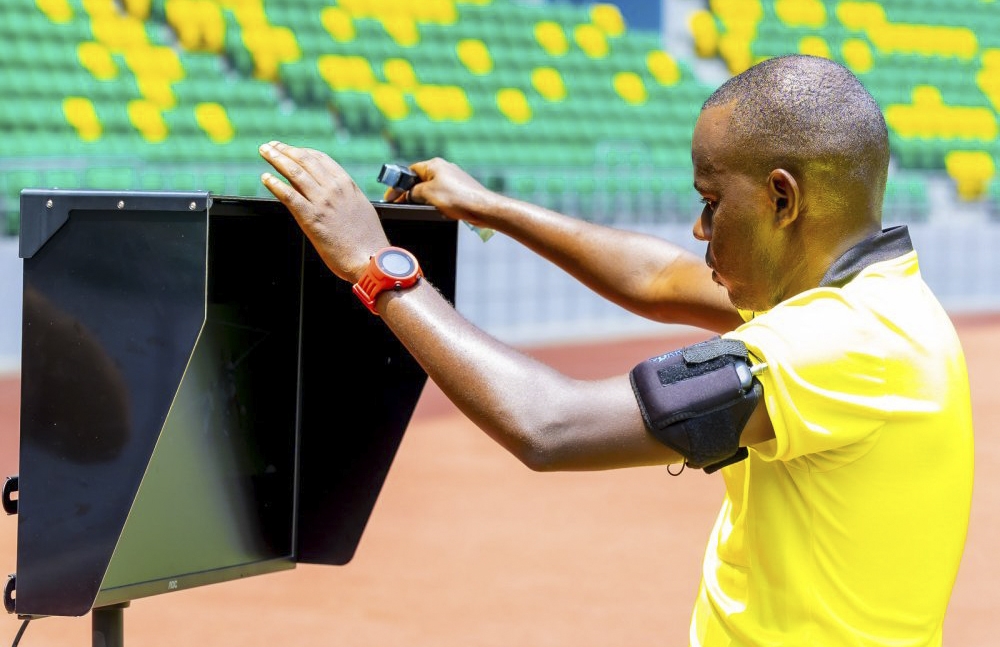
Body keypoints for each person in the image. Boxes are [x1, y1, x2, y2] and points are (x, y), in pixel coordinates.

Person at [258, 54, 974, 646]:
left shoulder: (837, 344)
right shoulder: (871, 300)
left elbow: (550, 425)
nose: (699, 230)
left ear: (783, 201)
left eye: (711, 201)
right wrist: (490, 207)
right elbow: (657, 279)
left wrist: (375, 267)